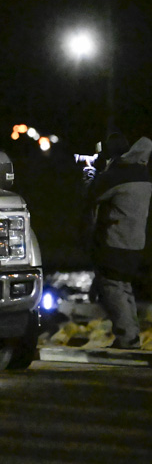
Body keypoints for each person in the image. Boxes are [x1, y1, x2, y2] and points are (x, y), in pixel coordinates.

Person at [85, 136, 152, 349]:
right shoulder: (141, 172)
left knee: (113, 289)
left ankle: (127, 338)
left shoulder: (118, 176)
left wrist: (90, 176)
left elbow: (91, 195)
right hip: (134, 243)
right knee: (124, 288)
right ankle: (130, 336)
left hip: (116, 243)